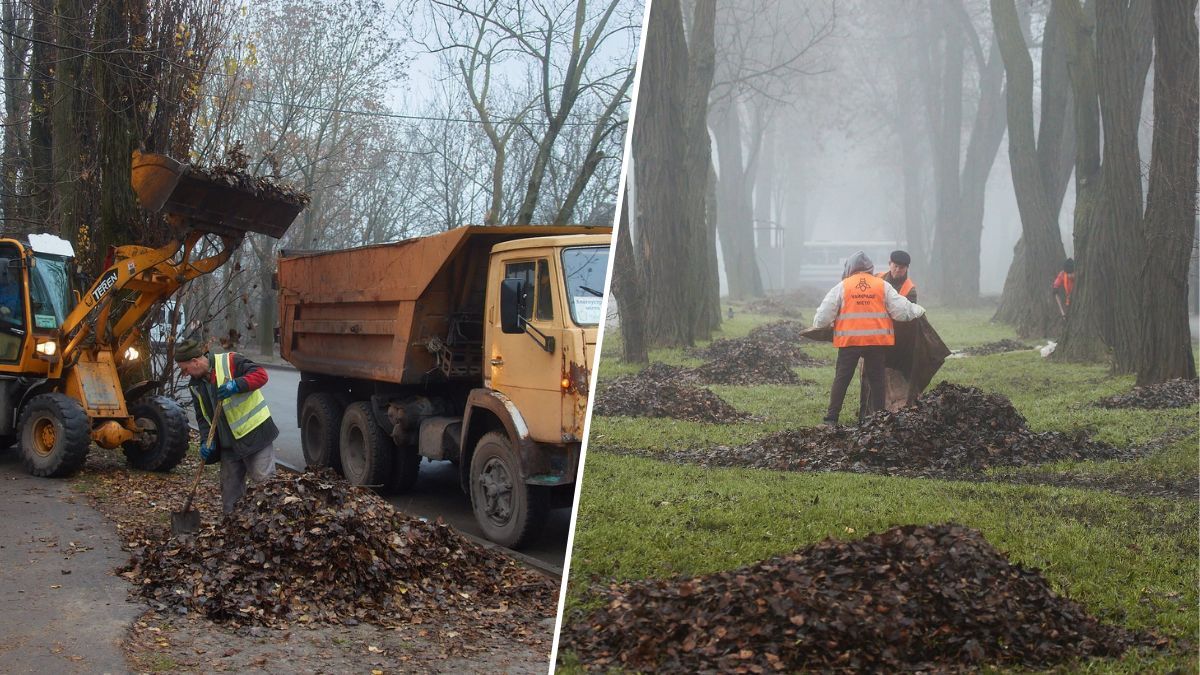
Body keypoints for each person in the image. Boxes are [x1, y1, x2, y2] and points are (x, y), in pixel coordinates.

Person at [813, 251, 926, 426]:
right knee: (877, 381)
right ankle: (878, 419)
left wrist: (820, 324)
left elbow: (822, 318)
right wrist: (919, 311)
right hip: (876, 343)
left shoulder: (843, 286)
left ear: (850, 269)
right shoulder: (881, 285)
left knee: (842, 379)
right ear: (870, 269)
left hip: (849, 343)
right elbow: (902, 311)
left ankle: (831, 418)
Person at [175, 338, 279, 513]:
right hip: (228, 446)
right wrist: (206, 442)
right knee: (230, 499)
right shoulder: (196, 386)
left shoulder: (230, 361)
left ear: (195, 361)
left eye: (185, 369)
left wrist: (236, 385)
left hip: (255, 437)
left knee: (266, 488)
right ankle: (234, 533)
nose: (185, 374)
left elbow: (261, 375)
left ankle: (274, 529)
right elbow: (203, 418)